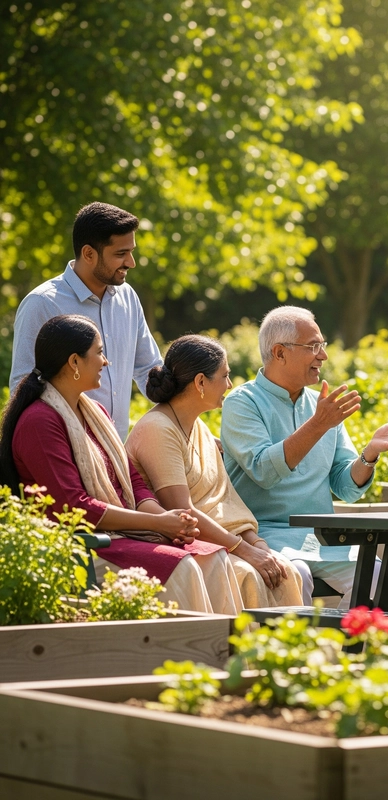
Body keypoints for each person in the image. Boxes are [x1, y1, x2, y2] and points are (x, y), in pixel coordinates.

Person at [0, 315, 246, 614]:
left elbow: (133, 483)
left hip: (119, 535)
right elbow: (75, 507)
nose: (106, 362)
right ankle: (187, 658)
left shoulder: (96, 413)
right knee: (185, 568)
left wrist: (169, 518)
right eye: (99, 352)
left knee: (214, 559)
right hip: (83, 545)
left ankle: (229, 659)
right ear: (75, 362)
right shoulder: (40, 421)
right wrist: (157, 523)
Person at [220, 306, 388, 607]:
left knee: (383, 582)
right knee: (294, 575)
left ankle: (347, 652)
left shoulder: (322, 405)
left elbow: (346, 487)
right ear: (279, 352)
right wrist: (318, 424)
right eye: (313, 346)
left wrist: (370, 453)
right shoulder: (242, 403)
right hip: (265, 536)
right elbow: (263, 471)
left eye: (322, 346)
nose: (323, 356)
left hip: (325, 540)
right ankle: (297, 654)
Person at [126, 335, 305, 609]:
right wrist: (246, 551)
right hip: (177, 544)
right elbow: (181, 512)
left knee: (285, 570)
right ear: (200, 382)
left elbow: (224, 503)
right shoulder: (157, 429)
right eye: (225, 376)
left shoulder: (199, 429)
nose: (230, 385)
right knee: (248, 576)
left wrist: (258, 545)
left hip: (216, 543)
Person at [10, 202, 162, 440]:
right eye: (121, 254)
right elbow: (23, 387)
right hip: (64, 452)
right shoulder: (42, 303)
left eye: (131, 251)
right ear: (89, 254)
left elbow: (148, 369)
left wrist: (192, 431)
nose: (131, 262)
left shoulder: (128, 297)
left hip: (115, 453)